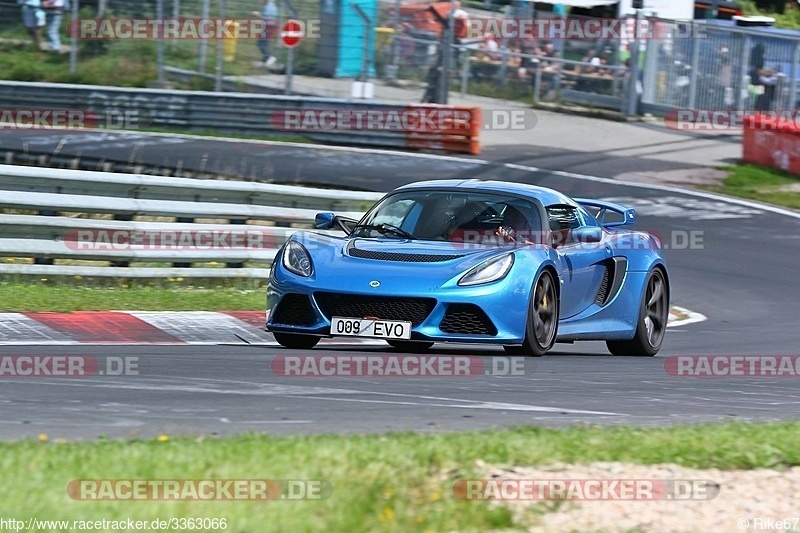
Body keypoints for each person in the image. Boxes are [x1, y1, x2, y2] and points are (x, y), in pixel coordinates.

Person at [257, 0, 278, 68]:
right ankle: (265, 60)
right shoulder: (273, 6)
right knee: (265, 43)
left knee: (261, 43)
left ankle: (269, 57)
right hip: (270, 26)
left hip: (267, 26)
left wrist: (258, 15)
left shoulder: (269, 6)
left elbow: (266, 18)